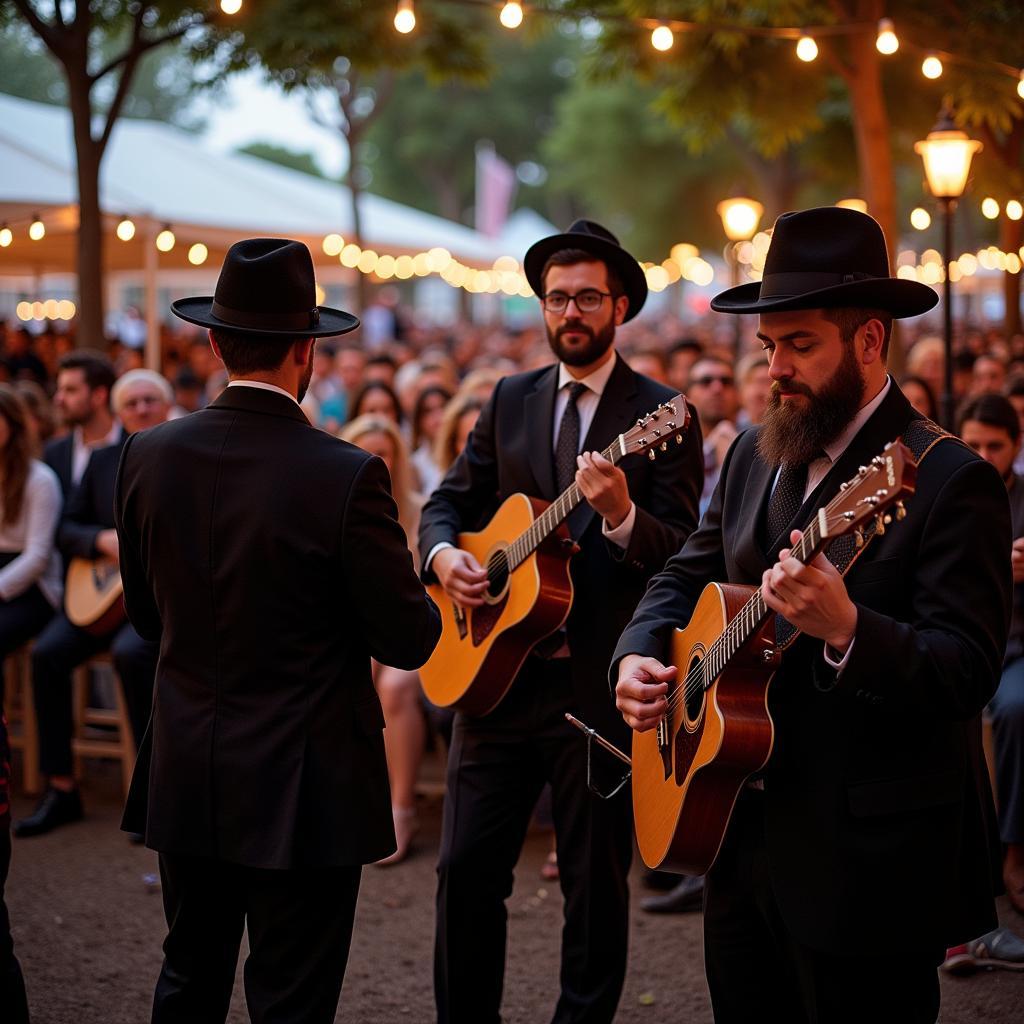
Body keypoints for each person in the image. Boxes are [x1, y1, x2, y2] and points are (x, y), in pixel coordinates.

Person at [613, 206, 1009, 1024]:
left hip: (866, 862)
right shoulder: (764, 454)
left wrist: (848, 631)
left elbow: (967, 670)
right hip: (732, 827)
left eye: (800, 345)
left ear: (869, 341)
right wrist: (639, 655)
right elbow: (687, 570)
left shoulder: (946, 478)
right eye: (768, 348)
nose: (776, 370)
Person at [115, 238, 440, 1023]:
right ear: (308, 353)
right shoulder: (346, 473)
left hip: (191, 758)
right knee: (292, 997)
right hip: (306, 780)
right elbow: (409, 640)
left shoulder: (146, 454)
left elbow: (146, 617)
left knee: (187, 977)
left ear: (216, 343)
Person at [420, 219, 703, 1024]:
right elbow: (448, 505)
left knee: (592, 885)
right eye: (556, 298)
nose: (569, 312)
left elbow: (685, 551)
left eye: (585, 297)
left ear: (619, 307)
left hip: (597, 687)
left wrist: (619, 519)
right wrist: (446, 560)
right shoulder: (510, 397)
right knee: (465, 874)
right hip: (493, 685)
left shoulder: (664, 415)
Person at [13, 371, 171, 838]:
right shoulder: (103, 461)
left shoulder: (185, 459)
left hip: (159, 603)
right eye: (132, 403)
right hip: (102, 595)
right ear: (118, 412)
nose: (142, 409)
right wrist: (101, 539)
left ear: (165, 408)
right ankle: (61, 788)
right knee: (47, 655)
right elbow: (66, 529)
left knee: (132, 655)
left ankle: (154, 795)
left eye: (150, 401)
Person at [340, 414, 425, 864]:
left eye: (385, 452)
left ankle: (401, 807)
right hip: (357, 628)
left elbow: (422, 598)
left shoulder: (419, 509)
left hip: (413, 631)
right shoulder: (332, 504)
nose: (375, 459)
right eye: (364, 449)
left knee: (392, 685)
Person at [958, 394, 1024, 914]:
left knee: (1016, 709)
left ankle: (1013, 850)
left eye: (995, 446)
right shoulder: (950, 491)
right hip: (958, 643)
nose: (983, 456)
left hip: (1015, 648)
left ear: (1016, 446)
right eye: (973, 444)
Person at [44, 351, 120, 497]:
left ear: (99, 395)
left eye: (70, 390)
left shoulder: (132, 448)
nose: (59, 399)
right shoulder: (53, 453)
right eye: (59, 389)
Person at [687, 353, 739, 516]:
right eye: (705, 381)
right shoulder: (674, 450)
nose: (717, 389)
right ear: (687, 395)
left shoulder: (758, 445)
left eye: (726, 382)